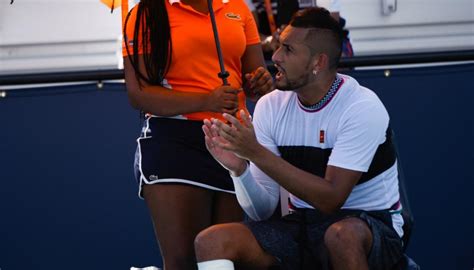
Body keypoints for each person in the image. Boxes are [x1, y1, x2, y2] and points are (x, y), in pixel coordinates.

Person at [195, 7, 405, 270]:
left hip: (372, 226)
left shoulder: (362, 106)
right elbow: (261, 212)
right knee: (211, 241)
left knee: (341, 236)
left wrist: (255, 152)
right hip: (303, 225)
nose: (277, 56)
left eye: (289, 50)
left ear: (318, 63)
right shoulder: (270, 105)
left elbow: (331, 199)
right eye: (279, 46)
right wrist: (239, 170)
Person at [122, 0, 273, 269]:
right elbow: (139, 94)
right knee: (184, 261)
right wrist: (206, 101)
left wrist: (259, 82)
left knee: (226, 259)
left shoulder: (237, 7)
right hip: (173, 140)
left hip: (232, 138)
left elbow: (252, 79)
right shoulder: (145, 13)